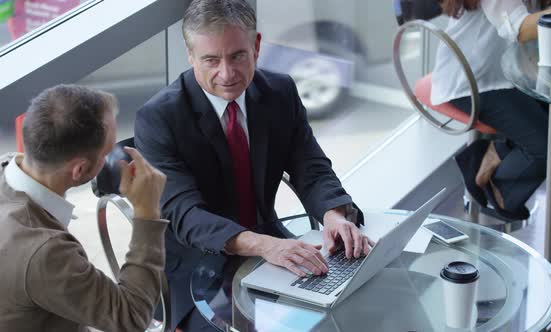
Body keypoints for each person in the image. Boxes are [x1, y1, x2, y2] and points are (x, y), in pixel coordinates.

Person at [134, 0, 374, 330]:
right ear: (190, 56)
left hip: (270, 245)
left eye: (237, 56)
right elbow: (186, 216)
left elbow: (311, 166)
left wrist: (333, 214)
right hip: (196, 266)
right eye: (211, 60)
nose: (227, 73)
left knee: (348, 306)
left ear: (256, 46)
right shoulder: (159, 118)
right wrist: (264, 245)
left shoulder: (280, 92)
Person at [0, 85, 168, 331]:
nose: (113, 158)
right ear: (79, 170)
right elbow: (131, 316)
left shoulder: (6, 164)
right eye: (108, 152)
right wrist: (147, 214)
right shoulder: (45, 252)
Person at [431, 0, 551, 220]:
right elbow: (521, 29)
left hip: (515, 73)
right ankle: (495, 182)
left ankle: (501, 151)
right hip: (472, 82)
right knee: (549, 147)